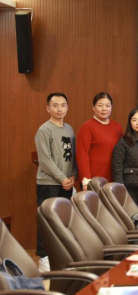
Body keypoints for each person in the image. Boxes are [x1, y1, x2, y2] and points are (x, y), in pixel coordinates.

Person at [35, 93, 77, 272]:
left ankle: (61, 258)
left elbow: (73, 156)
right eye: (55, 105)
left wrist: (73, 175)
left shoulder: (69, 129)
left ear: (67, 107)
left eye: (63, 105)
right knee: (47, 222)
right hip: (49, 184)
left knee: (64, 222)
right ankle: (44, 259)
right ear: (48, 108)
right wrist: (62, 178)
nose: (60, 109)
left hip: (67, 183)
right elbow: (45, 160)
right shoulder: (44, 130)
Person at [76, 92, 123, 190]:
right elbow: (82, 154)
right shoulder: (87, 127)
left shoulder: (117, 127)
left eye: (107, 106)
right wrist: (86, 180)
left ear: (111, 107)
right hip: (93, 181)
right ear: (93, 107)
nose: (104, 109)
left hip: (113, 179)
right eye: (100, 105)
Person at [112, 108, 138, 212]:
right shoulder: (123, 142)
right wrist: (120, 187)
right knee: (132, 218)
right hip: (130, 189)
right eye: (134, 120)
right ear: (130, 123)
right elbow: (117, 166)